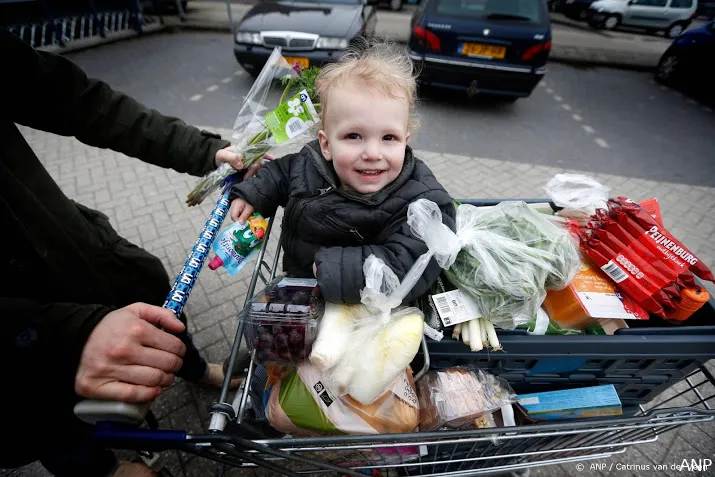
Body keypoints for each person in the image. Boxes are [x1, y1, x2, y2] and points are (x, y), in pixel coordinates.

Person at [0, 27, 262, 476]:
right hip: (19, 344)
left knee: (153, 301)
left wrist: (208, 151)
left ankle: (196, 370)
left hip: (71, 244)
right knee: (49, 414)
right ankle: (102, 466)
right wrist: (64, 334)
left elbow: (75, 98)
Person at [229, 38, 456, 304]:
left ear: (405, 141)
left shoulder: (422, 201)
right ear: (326, 144)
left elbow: (408, 265)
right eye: (354, 136)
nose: (373, 153)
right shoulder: (310, 163)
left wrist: (332, 270)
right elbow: (281, 172)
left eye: (388, 138)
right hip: (302, 288)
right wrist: (254, 193)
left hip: (363, 311)